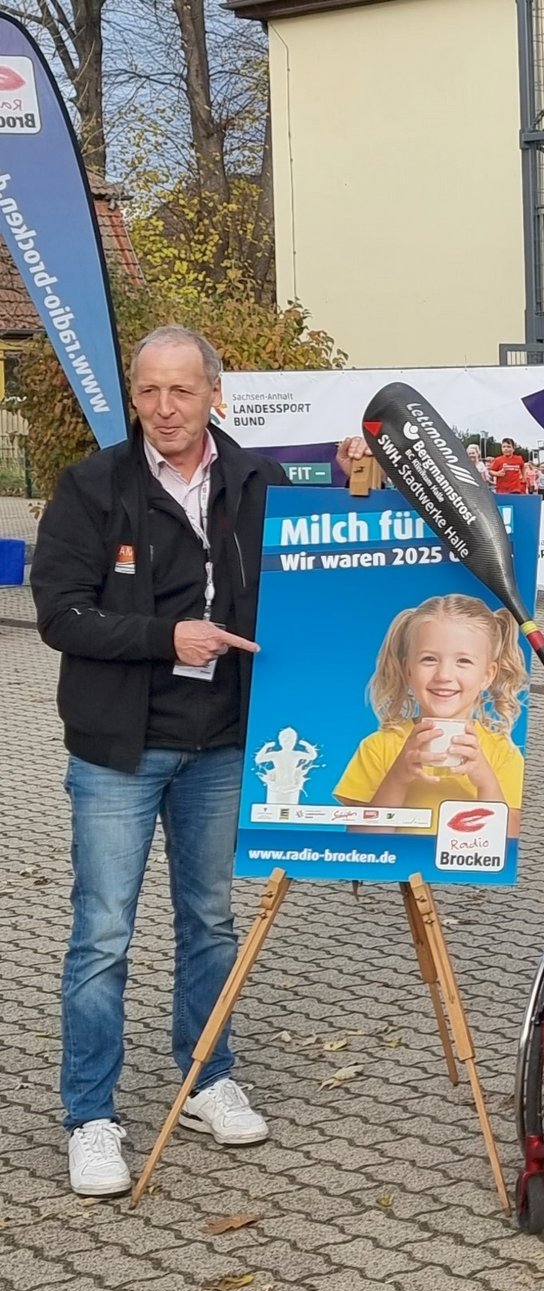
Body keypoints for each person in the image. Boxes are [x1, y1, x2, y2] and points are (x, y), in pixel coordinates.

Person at [32, 325, 279, 1196]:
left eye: (182, 390)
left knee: (209, 919)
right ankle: (91, 1114)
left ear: (215, 391)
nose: (165, 409)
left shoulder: (257, 482)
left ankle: (208, 1077)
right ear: (132, 396)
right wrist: (162, 636)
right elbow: (58, 612)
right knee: (102, 931)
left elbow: (311, 579)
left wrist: (363, 493)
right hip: (118, 749)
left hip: (220, 743)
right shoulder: (92, 485)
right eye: (149, 392)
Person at [334, 594, 528, 833]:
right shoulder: (378, 747)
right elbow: (363, 842)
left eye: (463, 661)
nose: (444, 675)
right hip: (401, 870)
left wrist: (486, 782)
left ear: (487, 676)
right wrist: (398, 777)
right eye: (429, 659)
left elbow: (509, 840)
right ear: (408, 670)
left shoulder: (502, 753)